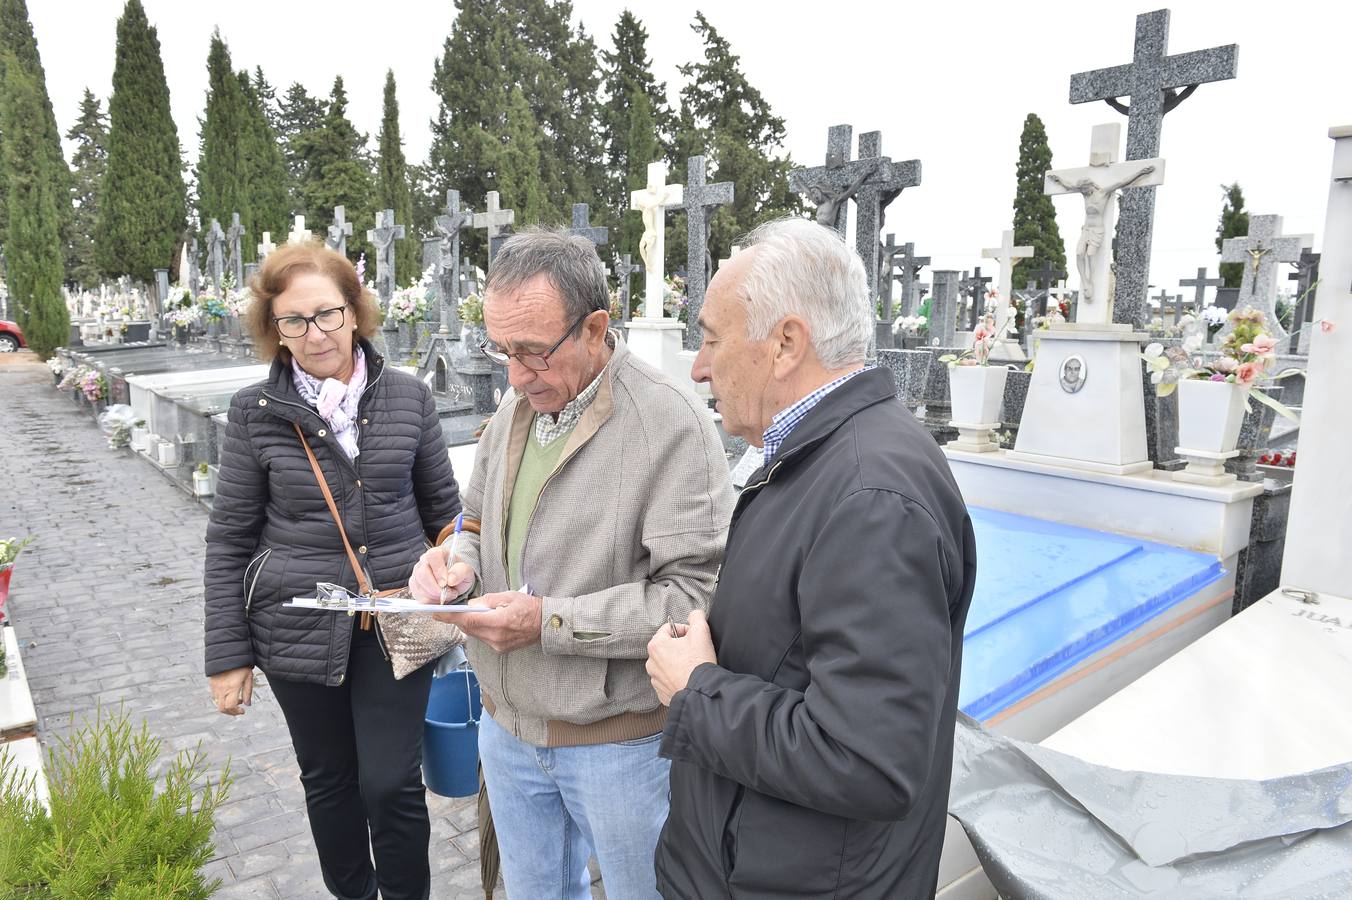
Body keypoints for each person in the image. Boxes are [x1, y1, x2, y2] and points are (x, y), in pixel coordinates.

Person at [647, 217, 978, 899]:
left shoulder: (872, 498)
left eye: (711, 338)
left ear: (786, 343)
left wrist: (697, 691)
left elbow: (868, 759)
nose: (699, 366)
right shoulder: (823, 458)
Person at [409, 228, 733, 900]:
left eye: (533, 352)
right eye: (503, 352)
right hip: (506, 728)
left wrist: (547, 622)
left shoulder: (671, 425)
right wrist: (453, 566)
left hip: (621, 747)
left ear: (595, 328)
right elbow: (471, 524)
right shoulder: (514, 410)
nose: (517, 375)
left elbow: (694, 597)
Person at [204, 242, 461, 900]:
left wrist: (454, 565)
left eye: (326, 314)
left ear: (355, 312)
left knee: (391, 782)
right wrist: (226, 656)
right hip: (295, 624)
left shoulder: (408, 397)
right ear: (274, 328)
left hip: (397, 616)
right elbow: (230, 536)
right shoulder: (255, 413)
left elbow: (446, 513)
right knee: (328, 779)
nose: (313, 334)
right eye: (293, 320)